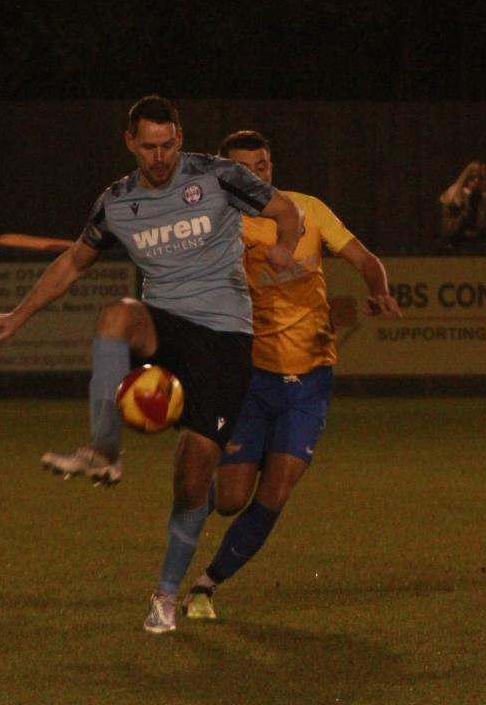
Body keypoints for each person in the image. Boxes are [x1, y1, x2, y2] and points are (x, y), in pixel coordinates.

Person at [0, 96, 301, 633]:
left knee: (192, 478)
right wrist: (18, 315)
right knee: (117, 315)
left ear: (180, 137)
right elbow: (73, 262)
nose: (159, 156)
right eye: (148, 147)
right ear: (130, 143)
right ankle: (105, 451)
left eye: (168, 144)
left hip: (223, 338)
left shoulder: (216, 176)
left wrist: (285, 246)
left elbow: (287, 211)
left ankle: (166, 595)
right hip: (165, 324)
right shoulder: (117, 201)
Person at [180, 130, 401, 621]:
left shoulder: (308, 210)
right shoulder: (221, 226)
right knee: (231, 500)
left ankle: (205, 586)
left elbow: (365, 260)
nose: (256, 176)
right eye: (244, 170)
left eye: (262, 166)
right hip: (253, 379)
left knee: (276, 491)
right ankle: (200, 491)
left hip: (311, 379)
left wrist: (379, 290)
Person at [440, 161, 486, 250]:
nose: (476, 181)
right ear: (466, 180)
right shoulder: (453, 200)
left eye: (481, 178)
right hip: (459, 247)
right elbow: (449, 231)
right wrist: (468, 209)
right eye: (472, 178)